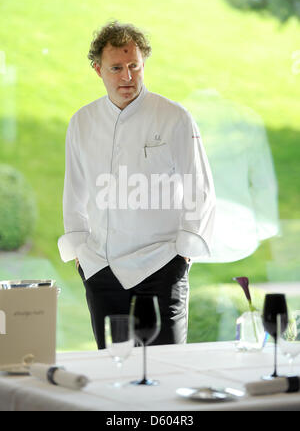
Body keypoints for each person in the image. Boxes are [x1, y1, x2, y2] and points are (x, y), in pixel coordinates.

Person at [58, 21, 216, 349]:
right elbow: (74, 191)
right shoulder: (81, 122)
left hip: (161, 263)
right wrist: (80, 250)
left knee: (166, 369)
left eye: (134, 66)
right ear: (97, 70)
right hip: (100, 265)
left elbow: (198, 188)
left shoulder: (174, 117)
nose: (127, 77)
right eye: (116, 68)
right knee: (113, 369)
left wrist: (182, 255)